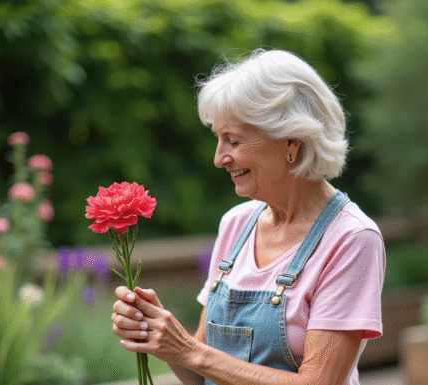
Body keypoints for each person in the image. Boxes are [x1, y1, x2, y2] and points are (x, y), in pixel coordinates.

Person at [111, 48, 386, 385]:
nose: (219, 158)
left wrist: (187, 350)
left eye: (233, 140)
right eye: (218, 139)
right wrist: (158, 336)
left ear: (291, 141)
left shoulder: (352, 238)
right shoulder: (237, 224)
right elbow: (201, 374)